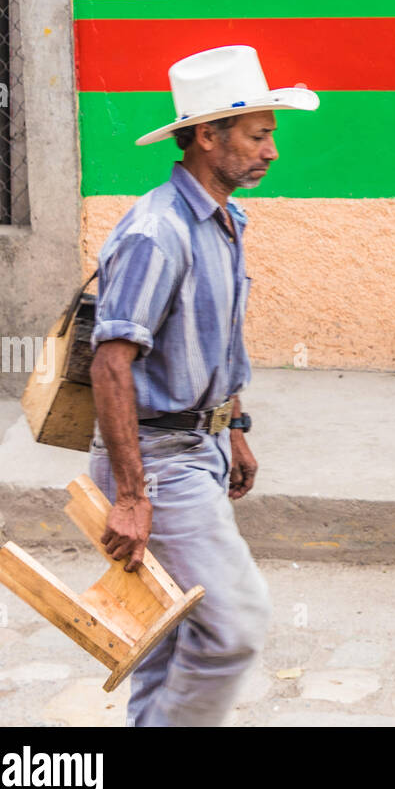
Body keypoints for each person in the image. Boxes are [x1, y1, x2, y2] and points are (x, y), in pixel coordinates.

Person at [87, 44, 319, 726]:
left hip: (200, 445)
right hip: (156, 461)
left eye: (271, 133)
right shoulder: (158, 232)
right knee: (235, 624)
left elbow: (215, 338)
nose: (271, 150)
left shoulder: (223, 218)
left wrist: (235, 427)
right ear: (207, 135)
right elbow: (110, 364)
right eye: (258, 134)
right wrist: (131, 494)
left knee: (170, 635)